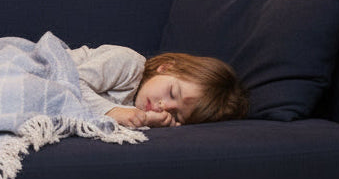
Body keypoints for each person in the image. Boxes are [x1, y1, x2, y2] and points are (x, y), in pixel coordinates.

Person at [71, 45, 248, 128]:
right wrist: (112, 112)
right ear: (165, 67)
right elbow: (69, 82)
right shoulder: (129, 64)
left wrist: (144, 120)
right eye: (172, 93)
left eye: (175, 114)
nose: (164, 107)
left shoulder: (133, 106)